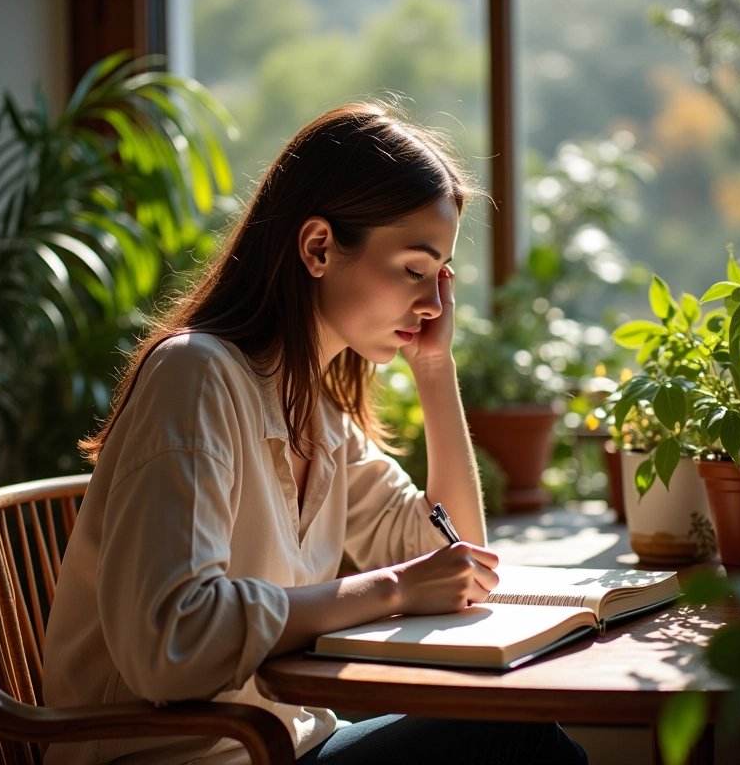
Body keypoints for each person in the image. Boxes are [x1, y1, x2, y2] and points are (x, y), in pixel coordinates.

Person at [42, 102, 588, 765]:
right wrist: (392, 588)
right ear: (319, 247)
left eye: (440, 277)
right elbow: (172, 646)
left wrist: (435, 371)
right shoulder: (197, 375)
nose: (434, 304)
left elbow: (460, 557)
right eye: (415, 271)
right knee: (516, 737)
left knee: (518, 726)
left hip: (284, 746)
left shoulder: (317, 413)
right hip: (193, 758)